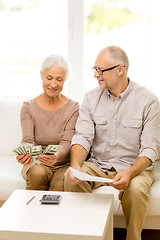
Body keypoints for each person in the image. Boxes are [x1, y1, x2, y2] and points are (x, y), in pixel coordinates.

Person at [64, 46, 160, 240]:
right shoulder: (91, 98)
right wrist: (75, 166)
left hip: (134, 168)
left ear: (119, 69)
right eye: (95, 70)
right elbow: (83, 137)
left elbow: (150, 149)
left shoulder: (148, 101)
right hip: (99, 165)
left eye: (101, 70)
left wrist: (130, 173)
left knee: (136, 190)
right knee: (71, 179)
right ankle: (87, 235)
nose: (96, 75)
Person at [16, 54, 79, 191]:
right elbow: (27, 140)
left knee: (61, 183)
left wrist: (56, 156)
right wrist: (25, 154)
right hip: (37, 163)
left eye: (59, 79)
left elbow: (67, 141)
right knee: (37, 174)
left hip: (63, 163)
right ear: (41, 76)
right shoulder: (28, 107)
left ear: (65, 80)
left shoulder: (73, 108)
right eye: (49, 78)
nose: (53, 84)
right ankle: (32, 212)